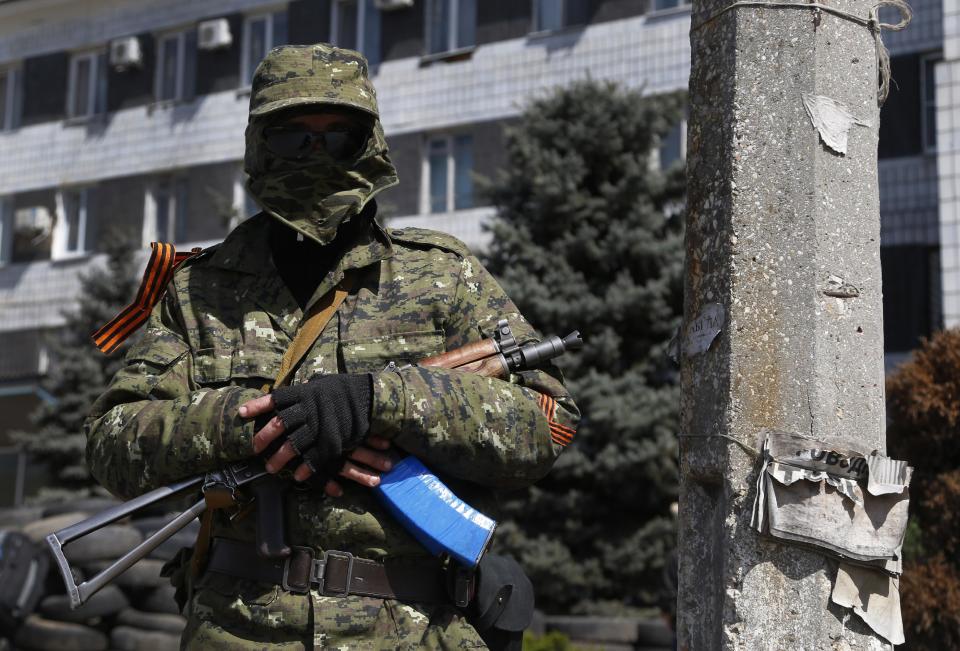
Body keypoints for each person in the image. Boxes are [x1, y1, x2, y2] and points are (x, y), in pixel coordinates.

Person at [84, 44, 578, 650]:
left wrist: (383, 399)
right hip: (240, 630)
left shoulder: (441, 275)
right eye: (294, 138)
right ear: (262, 146)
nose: (315, 156)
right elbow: (112, 445)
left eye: (337, 137)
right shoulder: (199, 289)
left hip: (409, 630)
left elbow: (546, 426)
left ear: (368, 145)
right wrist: (254, 426)